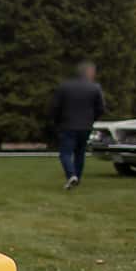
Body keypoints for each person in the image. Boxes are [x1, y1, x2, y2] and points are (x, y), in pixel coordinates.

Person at [49, 60, 106, 189]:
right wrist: (92, 119)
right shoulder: (95, 88)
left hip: (67, 125)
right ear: (89, 73)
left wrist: (57, 122)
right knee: (80, 153)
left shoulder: (65, 86)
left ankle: (71, 175)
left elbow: (55, 107)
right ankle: (77, 178)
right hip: (86, 126)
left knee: (65, 153)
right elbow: (101, 108)